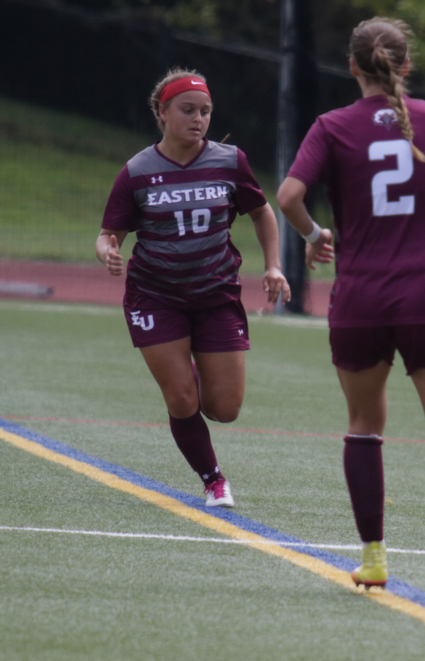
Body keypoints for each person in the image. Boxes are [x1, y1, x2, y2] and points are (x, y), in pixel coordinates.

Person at [275, 18, 425, 602]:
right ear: (405, 67)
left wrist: (312, 234)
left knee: (364, 428)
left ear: (353, 67)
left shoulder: (331, 127)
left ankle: (373, 561)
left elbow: (287, 196)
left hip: (362, 299)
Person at [96, 69, 290, 508]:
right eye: (187, 110)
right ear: (163, 113)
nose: (198, 119)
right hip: (155, 296)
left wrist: (274, 266)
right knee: (182, 397)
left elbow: (261, 212)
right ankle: (213, 480)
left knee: (225, 409)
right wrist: (107, 250)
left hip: (215, 295)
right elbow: (109, 233)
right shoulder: (138, 171)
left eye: (205, 112)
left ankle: (195, 370)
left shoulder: (229, 161)